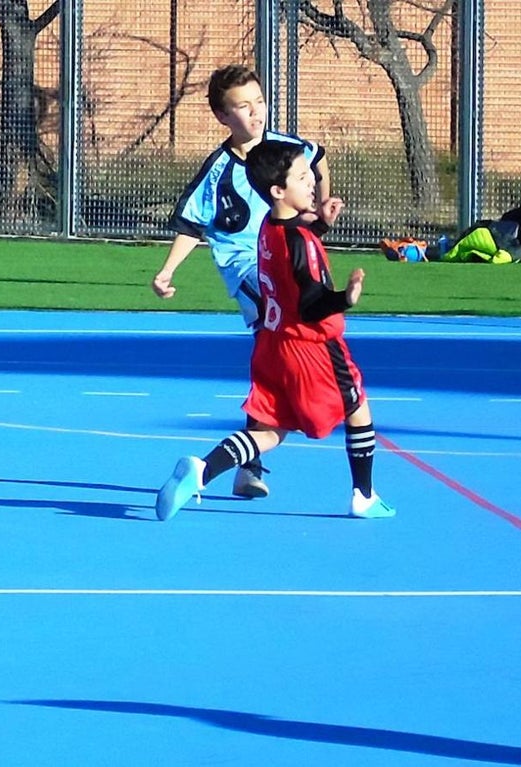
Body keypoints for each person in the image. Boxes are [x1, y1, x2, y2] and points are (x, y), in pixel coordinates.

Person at [154, 139, 395, 522]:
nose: (313, 182)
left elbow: (295, 261)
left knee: (271, 432)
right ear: (278, 190)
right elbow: (311, 303)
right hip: (311, 349)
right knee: (357, 407)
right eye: (303, 177)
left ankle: (202, 470)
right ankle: (363, 496)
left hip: (272, 344)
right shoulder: (300, 242)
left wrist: (323, 224)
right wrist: (344, 298)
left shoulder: (269, 226)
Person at [151, 64, 332, 500]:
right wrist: (168, 269)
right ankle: (247, 457)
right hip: (250, 270)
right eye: (243, 107)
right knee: (286, 350)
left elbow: (319, 158)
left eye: (260, 103)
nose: (255, 114)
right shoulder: (218, 171)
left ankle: (243, 461)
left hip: (285, 261)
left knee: (274, 363)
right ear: (222, 116)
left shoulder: (288, 150)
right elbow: (193, 225)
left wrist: (321, 210)